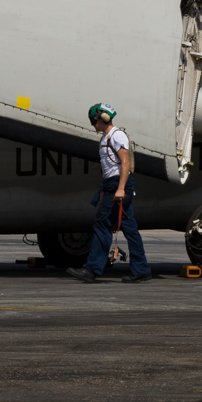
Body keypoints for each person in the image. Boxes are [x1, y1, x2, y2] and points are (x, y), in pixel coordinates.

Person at [67, 103, 152, 284]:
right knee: (130, 228)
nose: (93, 124)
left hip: (118, 185)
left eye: (94, 120)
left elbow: (125, 163)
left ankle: (92, 269)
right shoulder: (106, 138)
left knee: (101, 223)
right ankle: (142, 269)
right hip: (112, 185)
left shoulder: (116, 135)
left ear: (102, 118)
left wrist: (120, 188)